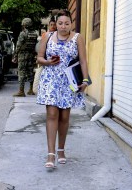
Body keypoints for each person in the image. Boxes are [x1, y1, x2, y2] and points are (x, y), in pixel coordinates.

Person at [36, 9, 90, 169]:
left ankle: (61, 150)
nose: (63, 26)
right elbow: (39, 58)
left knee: (64, 117)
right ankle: (50, 153)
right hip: (51, 80)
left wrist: (85, 80)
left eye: (67, 23)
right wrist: (47, 62)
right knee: (52, 114)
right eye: (60, 23)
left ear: (71, 24)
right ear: (56, 24)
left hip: (69, 82)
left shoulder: (77, 38)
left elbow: (83, 61)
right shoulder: (47, 36)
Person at [12, 18, 38, 96]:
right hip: (31, 55)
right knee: (30, 71)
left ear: (24, 25)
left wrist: (15, 55)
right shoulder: (35, 33)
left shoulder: (23, 33)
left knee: (21, 72)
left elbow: (19, 46)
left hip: (22, 55)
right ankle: (31, 90)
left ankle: (21, 91)